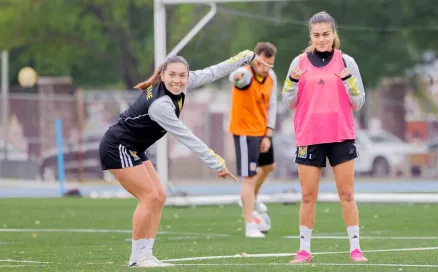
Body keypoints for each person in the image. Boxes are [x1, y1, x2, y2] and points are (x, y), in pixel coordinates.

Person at [99, 50, 272, 268]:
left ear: (187, 76)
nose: (177, 80)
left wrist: (242, 58)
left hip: (133, 147)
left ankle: (147, 254)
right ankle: (137, 258)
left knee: (160, 197)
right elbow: (187, 137)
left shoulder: (183, 84)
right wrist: (216, 162)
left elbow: (213, 72)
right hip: (117, 147)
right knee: (149, 197)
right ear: (162, 75)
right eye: (172, 75)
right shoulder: (161, 105)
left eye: (182, 76)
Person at [282, 11, 367, 263]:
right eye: (316, 35)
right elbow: (288, 101)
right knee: (308, 196)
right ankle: (304, 250)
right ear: (310, 35)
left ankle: (355, 248)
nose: (321, 39)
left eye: (326, 34)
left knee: (347, 193)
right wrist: (292, 81)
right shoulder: (298, 63)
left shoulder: (347, 62)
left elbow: (358, 102)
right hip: (309, 136)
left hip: (341, 135)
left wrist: (348, 80)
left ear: (334, 35)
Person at [228, 42, 278, 238]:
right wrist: (237, 76)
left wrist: (268, 133)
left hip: (261, 131)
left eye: (270, 64)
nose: (265, 68)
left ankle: (251, 198)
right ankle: (250, 225)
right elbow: (237, 78)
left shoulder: (271, 77)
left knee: (269, 167)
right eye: (262, 63)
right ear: (255, 59)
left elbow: (272, 105)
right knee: (248, 177)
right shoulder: (246, 74)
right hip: (244, 133)